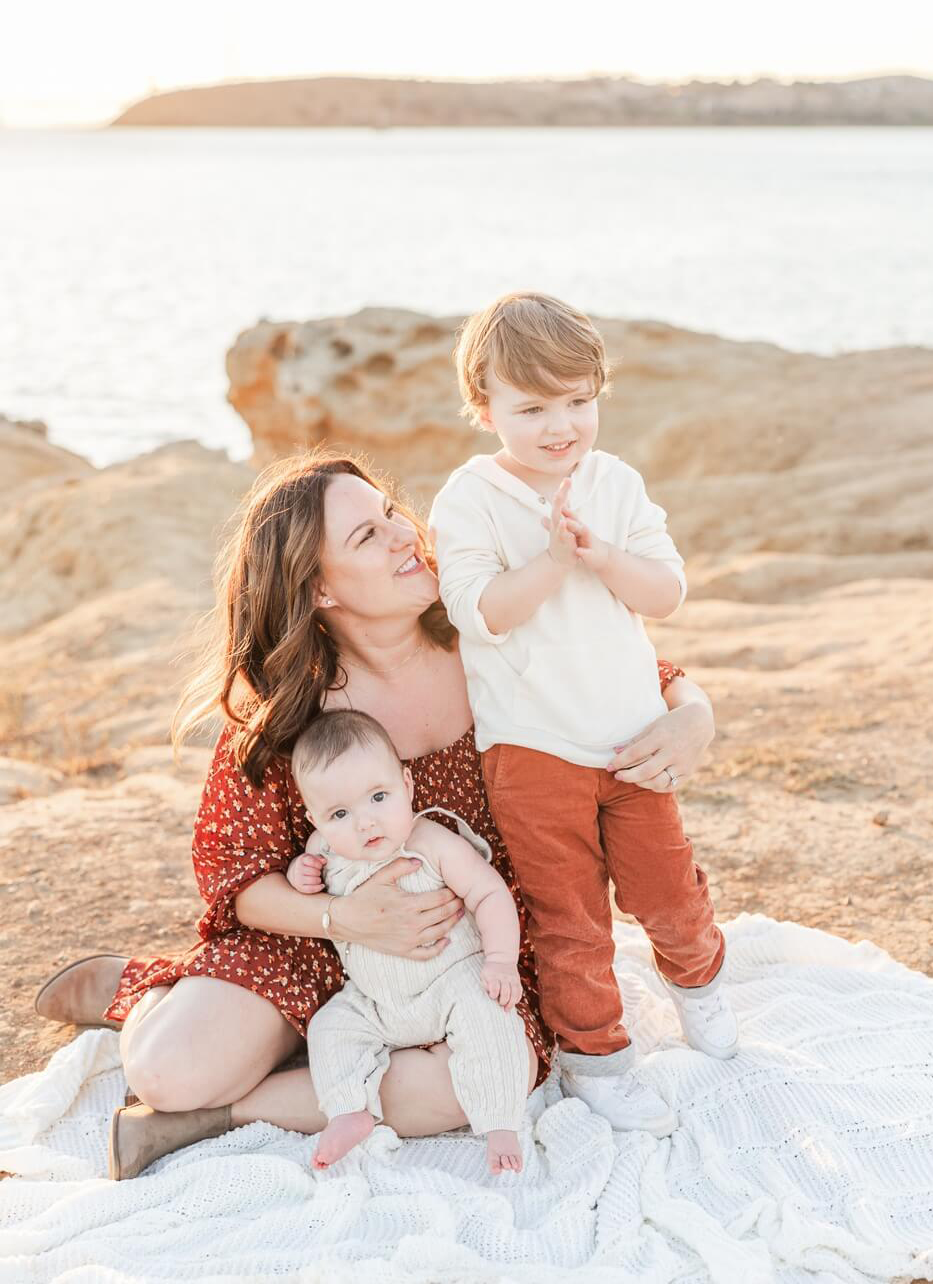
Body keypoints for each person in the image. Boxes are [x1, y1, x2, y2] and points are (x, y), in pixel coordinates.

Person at [34, 450, 718, 1179]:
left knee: (475, 1085)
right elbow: (237, 883)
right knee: (171, 1071)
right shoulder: (292, 713)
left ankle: (225, 1113)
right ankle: (141, 992)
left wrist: (694, 714)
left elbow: (637, 670)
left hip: (471, 949)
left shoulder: (492, 630)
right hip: (321, 943)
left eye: (391, 514)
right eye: (367, 537)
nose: (404, 535)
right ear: (320, 589)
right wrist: (347, 920)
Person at [430, 291, 738, 1138]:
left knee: (667, 891)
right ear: (484, 407)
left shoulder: (613, 481)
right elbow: (478, 610)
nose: (560, 425)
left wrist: (600, 556)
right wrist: (553, 560)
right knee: (569, 918)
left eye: (578, 401)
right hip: (531, 751)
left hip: (632, 736)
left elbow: (666, 592)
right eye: (531, 408)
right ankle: (596, 1060)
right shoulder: (470, 497)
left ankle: (700, 986)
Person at [287, 709, 529, 1174]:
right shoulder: (325, 848)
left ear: (407, 785)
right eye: (339, 813)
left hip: (452, 982)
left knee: (491, 1019)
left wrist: (500, 961)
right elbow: (309, 874)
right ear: (314, 817)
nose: (365, 823)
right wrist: (302, 873)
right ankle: (349, 1109)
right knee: (330, 1027)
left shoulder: (432, 841)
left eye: (379, 797)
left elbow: (489, 892)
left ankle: (500, 1124)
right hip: (376, 1000)